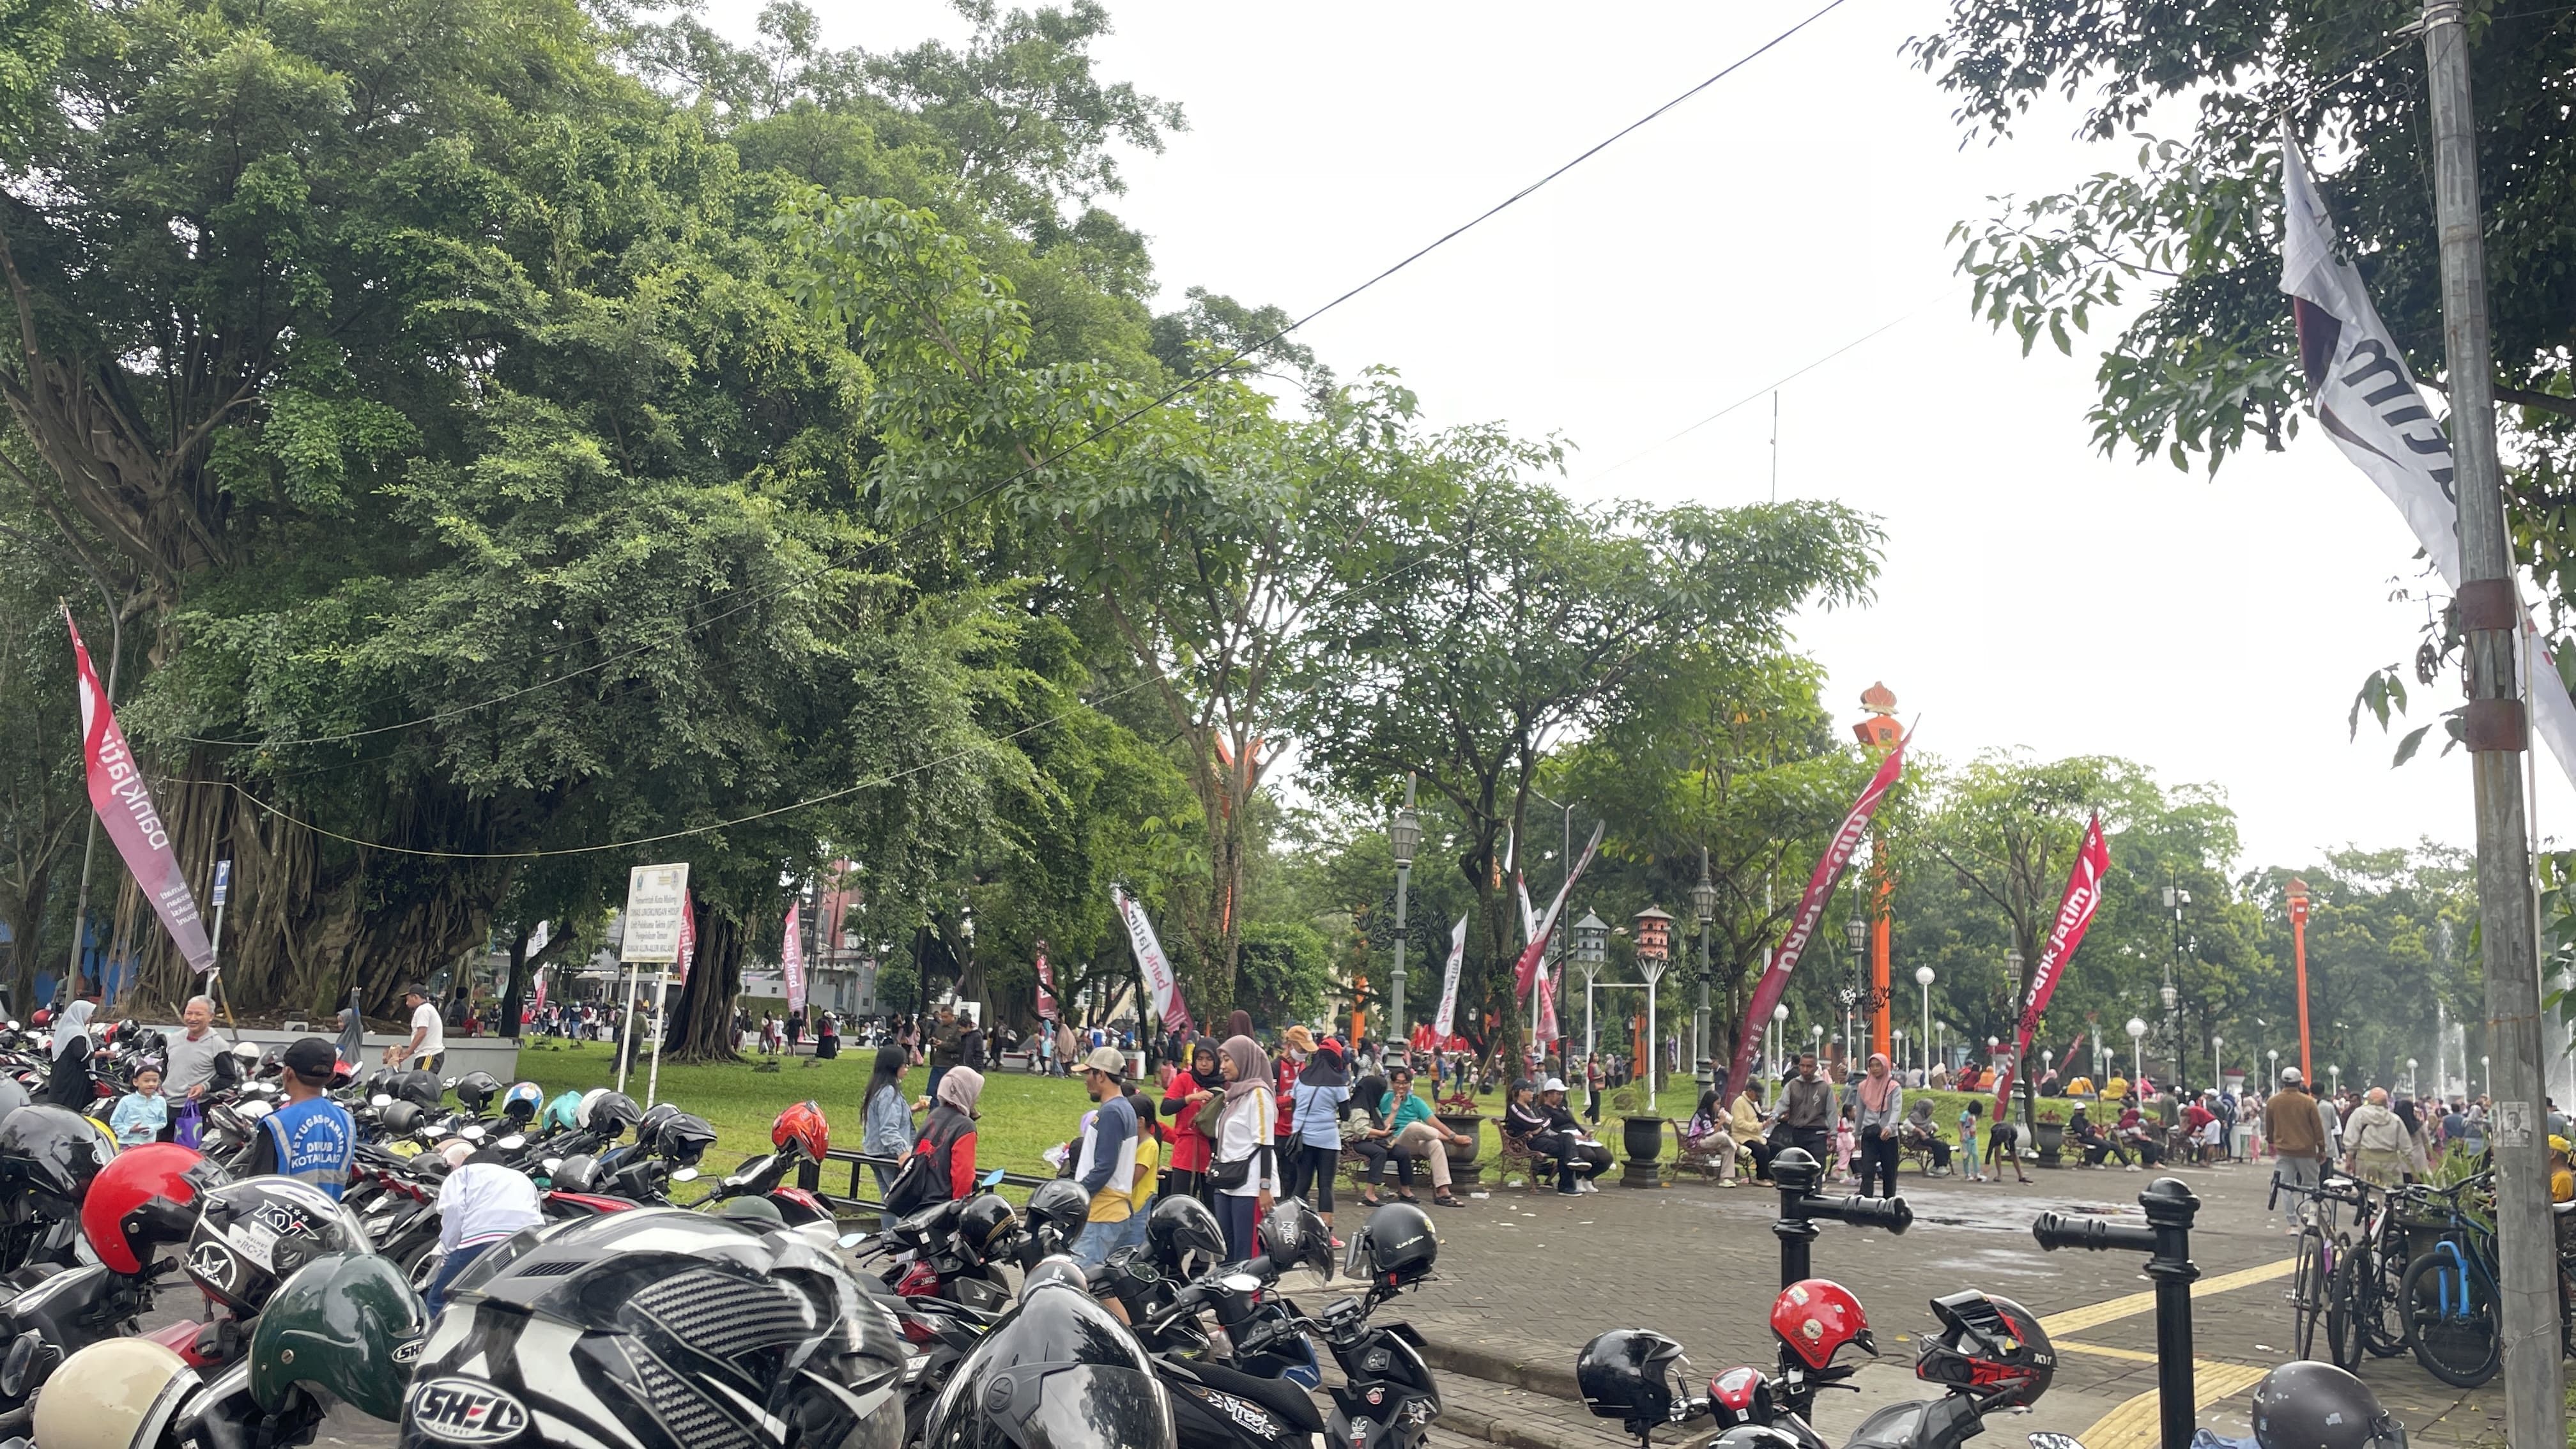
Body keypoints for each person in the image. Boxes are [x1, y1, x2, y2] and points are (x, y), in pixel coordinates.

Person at [427, 1146, 542, 1315]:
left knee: (438, 1300)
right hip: (527, 1244)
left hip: (480, 1242)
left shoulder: (463, 1173)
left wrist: (449, 1252)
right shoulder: (522, 1178)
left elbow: (454, 1209)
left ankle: (443, 1339)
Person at [249, 1038, 355, 1199]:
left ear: (288, 1073)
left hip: (282, 1221)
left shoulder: (277, 1124)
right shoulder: (346, 1121)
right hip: (329, 1219)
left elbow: (255, 1190)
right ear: (332, 1076)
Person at [1211, 1035, 1281, 1262]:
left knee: (1247, 1253)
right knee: (1226, 1251)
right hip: (1227, 1183)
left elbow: (1266, 1143)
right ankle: (1229, 1296)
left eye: (1227, 1059)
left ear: (1244, 1059)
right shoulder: (1235, 1095)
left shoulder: (1258, 1095)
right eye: (1221, 1059)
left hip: (1250, 1187)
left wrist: (1264, 1188)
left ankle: (1250, 1298)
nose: (1222, 1065)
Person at [1071, 1047, 1143, 1267]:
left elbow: (1104, 1167)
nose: (1086, 1081)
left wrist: (1076, 1196)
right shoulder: (1125, 1108)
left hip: (1101, 1214)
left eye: (1089, 1074)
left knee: (1081, 1285)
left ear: (1101, 1075)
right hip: (1114, 1212)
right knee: (1101, 1288)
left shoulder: (1111, 1112)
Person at [1378, 1065, 1465, 1206]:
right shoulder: (1384, 1100)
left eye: (1405, 1083)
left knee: (1435, 1144)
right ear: (1392, 1084)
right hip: (1394, 1141)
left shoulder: (1416, 1102)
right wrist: (1453, 1136)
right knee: (1414, 1126)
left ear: (1410, 1084)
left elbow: (1434, 1122)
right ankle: (1451, 1140)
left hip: (1414, 1143)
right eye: (1398, 1083)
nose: (1401, 1086)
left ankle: (1443, 1192)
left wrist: (1448, 1132)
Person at [1288, 1038, 1350, 1229]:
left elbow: (1294, 1106)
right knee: (1325, 1186)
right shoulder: (1339, 1081)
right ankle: (1326, 1231)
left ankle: (1294, 1225)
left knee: (1302, 1183)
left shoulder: (1302, 1077)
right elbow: (1346, 1115)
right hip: (1327, 1141)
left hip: (1301, 1138)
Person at [1160, 1038, 1224, 1203]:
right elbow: (1165, 1108)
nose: (1204, 1064)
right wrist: (1191, 1098)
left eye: (1209, 1059)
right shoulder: (1185, 1079)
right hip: (1186, 1151)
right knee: (1181, 1202)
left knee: (1211, 1203)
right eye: (1200, 1059)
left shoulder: (1225, 1083)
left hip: (1213, 1152)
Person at [2266, 1068, 2327, 1233]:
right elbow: (2317, 1128)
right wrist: (2321, 1148)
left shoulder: (2273, 1102)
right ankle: (2309, 1216)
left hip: (2284, 1151)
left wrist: (2272, 1142)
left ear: (2282, 1082)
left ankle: (2292, 1224)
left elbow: (2269, 1128)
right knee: (2311, 1185)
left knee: (2286, 1187)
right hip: (2307, 1151)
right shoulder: (2308, 1103)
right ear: (2299, 1082)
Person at [910, 1064, 982, 1204]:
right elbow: (963, 1174)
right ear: (966, 1092)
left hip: (922, 1198)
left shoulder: (934, 1115)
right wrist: (961, 1205)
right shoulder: (965, 1126)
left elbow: (920, 1152)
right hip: (943, 1203)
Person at [861, 1045, 914, 1230]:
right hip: (888, 1154)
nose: (907, 1069)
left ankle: (890, 1243)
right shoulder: (889, 1092)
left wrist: (911, 1109)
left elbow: (878, 1119)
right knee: (898, 1200)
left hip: (874, 1152)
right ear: (894, 1067)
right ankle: (897, 1243)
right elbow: (888, 1130)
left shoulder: (875, 1088)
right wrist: (903, 1152)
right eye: (905, 1065)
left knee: (888, 1198)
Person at [1536, 1078, 1613, 1190]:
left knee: (1606, 1158)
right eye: (1558, 1094)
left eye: (1562, 1094)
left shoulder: (1562, 1107)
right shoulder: (1543, 1110)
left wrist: (1584, 1132)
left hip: (1578, 1135)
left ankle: (1587, 1178)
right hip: (1565, 1137)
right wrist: (1575, 1137)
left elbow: (1574, 1122)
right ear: (1548, 1094)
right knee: (1588, 1156)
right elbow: (1549, 1130)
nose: (1561, 1097)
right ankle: (1576, 1178)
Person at [163, 994, 232, 1104]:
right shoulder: (174, 1039)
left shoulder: (218, 1045)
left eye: (199, 1014)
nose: (193, 1018)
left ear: (211, 1016)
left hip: (195, 1107)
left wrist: (204, 1087)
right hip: (166, 1103)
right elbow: (166, 1067)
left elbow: (228, 1078)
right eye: (189, 1013)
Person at [1852, 1054, 1903, 1198]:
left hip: (1888, 1136)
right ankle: (1866, 1201)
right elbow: (1860, 1112)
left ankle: (1889, 1202)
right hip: (1869, 1134)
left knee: (1889, 1172)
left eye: (1878, 1065)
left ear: (1885, 1066)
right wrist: (1857, 1134)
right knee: (1868, 1171)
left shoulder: (1894, 1087)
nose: (1875, 1069)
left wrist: (1890, 1127)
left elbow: (1896, 1110)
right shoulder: (1863, 1087)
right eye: (1872, 1066)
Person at [1777, 1054, 1834, 1164]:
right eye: (1802, 1066)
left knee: (1817, 1169)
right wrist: (1773, 1117)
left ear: (1816, 1068)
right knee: (1797, 1169)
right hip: (1797, 1133)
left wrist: (1834, 1136)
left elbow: (1831, 1112)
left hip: (1817, 1133)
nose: (1805, 1069)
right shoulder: (1792, 1085)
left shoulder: (1824, 1088)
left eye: (1809, 1066)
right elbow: (1781, 1104)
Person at [2344, 1087, 2406, 1186]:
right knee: (2391, 1194)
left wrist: (2349, 1160)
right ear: (2386, 1102)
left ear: (2368, 1101)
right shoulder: (2395, 1120)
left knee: (2368, 1192)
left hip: (2366, 1161)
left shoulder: (2359, 1114)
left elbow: (2351, 1139)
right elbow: (2405, 1146)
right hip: (2390, 1162)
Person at [45, 994, 96, 1108]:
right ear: (81, 1013)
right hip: (71, 1075)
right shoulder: (77, 1033)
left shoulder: (68, 1028)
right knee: (68, 1105)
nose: (91, 1015)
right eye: (89, 1013)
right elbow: (82, 1055)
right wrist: (105, 1054)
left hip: (62, 1071)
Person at [389, 984, 445, 1072]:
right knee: (418, 1081)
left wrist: (407, 1053)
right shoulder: (428, 1008)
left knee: (421, 1081)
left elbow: (422, 1033)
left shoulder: (423, 1010)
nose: (407, 1003)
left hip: (429, 1054)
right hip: (427, 1055)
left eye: (408, 999)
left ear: (415, 997)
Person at [1728, 1080, 1774, 1185]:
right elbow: (1739, 1124)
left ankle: (1771, 1175)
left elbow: (1757, 1118)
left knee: (1777, 1147)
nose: (1758, 1098)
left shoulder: (1754, 1103)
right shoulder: (1739, 1102)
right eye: (1757, 1095)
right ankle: (1761, 1178)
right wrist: (1759, 1126)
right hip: (1742, 1137)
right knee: (1763, 1150)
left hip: (1756, 1136)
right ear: (1749, 1091)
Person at [109, 1065, 167, 1147]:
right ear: (136, 1082)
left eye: (155, 1081)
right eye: (146, 1081)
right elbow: (115, 1123)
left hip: (149, 1144)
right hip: (127, 1144)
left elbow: (162, 1122)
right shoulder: (126, 1101)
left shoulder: (160, 1101)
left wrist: (151, 1128)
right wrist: (130, 1130)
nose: (151, 1084)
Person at [1899, 1096, 1952, 1176]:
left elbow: (1933, 1124)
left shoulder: (1926, 1118)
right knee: (1938, 1145)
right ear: (1925, 1109)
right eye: (1930, 1109)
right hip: (1917, 1140)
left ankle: (1939, 1166)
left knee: (1946, 1146)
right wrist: (1919, 1131)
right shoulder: (1914, 1116)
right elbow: (1906, 1124)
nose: (1932, 1111)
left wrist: (1934, 1127)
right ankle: (1939, 1166)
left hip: (1927, 1138)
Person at [925, 1005, 963, 1103]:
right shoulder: (940, 1027)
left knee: (946, 1093)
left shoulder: (957, 1029)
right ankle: (933, 1112)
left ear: (952, 1016)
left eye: (945, 1017)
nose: (943, 1019)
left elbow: (957, 1046)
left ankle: (944, 1113)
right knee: (931, 1090)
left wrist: (943, 1044)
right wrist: (933, 1041)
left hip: (950, 1064)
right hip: (938, 1063)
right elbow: (934, 1037)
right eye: (942, 1017)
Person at [1958, 1098, 1987, 1183]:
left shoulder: (1974, 1116)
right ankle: (1967, 1174)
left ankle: (1977, 1173)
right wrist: (1961, 1135)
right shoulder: (1965, 1114)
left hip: (1973, 1138)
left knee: (1975, 1155)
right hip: (1966, 1139)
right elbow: (1960, 1124)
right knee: (1966, 1157)